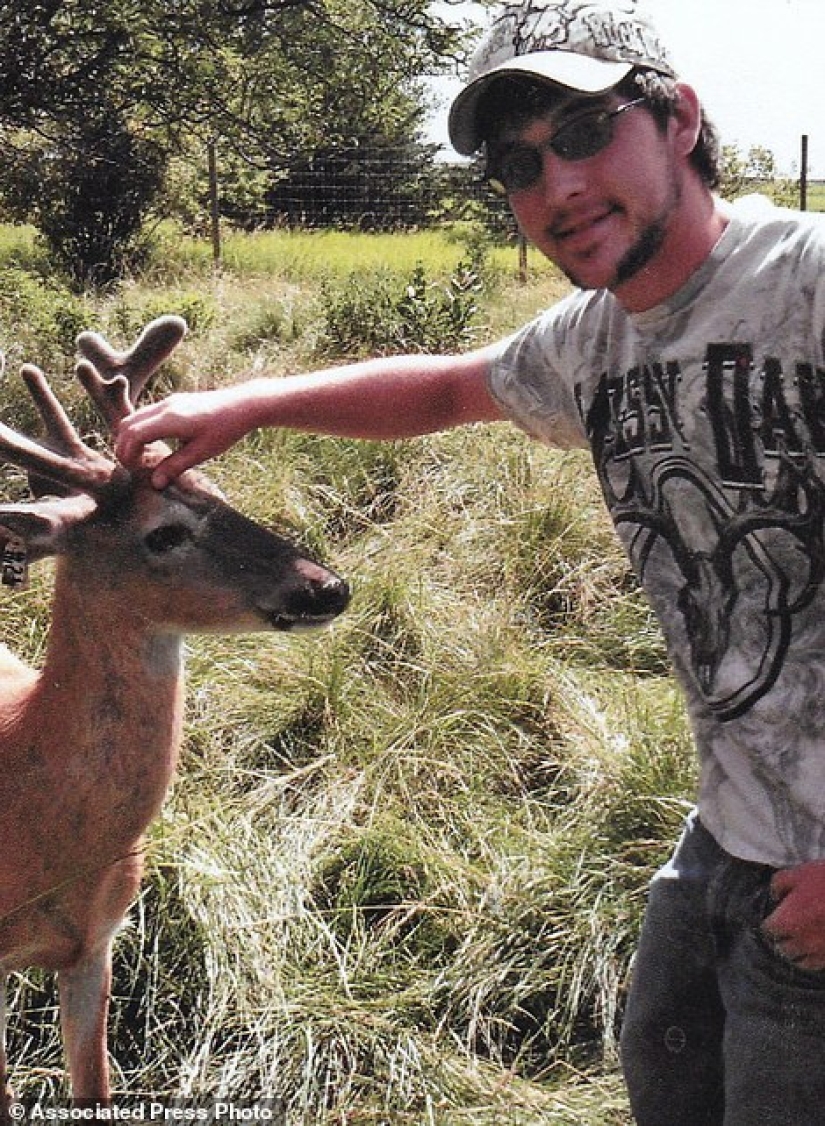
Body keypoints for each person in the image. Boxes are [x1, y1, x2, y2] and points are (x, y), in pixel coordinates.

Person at [114, 2, 825, 1122]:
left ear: (679, 117)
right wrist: (248, 402)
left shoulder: (807, 280)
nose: (556, 186)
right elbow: (448, 386)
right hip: (731, 831)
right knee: (665, 1070)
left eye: (586, 130)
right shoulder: (595, 336)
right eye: (517, 162)